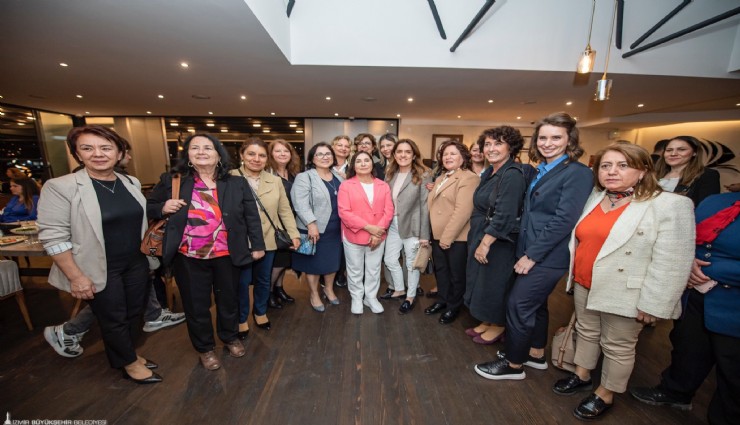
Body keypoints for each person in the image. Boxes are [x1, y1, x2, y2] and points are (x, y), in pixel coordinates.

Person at [548, 143, 695, 420]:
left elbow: (674, 262)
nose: (612, 171)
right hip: (585, 281)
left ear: (643, 171)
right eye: (606, 166)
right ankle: (581, 374)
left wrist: (654, 304)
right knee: (586, 331)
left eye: (622, 165)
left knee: (617, 345)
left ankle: (605, 393)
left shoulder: (669, 205)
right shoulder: (596, 197)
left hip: (628, 290)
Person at [37, 125, 161, 384]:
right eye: (87, 148)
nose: (98, 154)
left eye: (106, 148)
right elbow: (54, 238)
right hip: (97, 266)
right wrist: (76, 277)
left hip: (135, 262)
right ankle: (128, 363)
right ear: (77, 154)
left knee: (133, 313)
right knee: (113, 317)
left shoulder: (130, 182)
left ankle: (127, 354)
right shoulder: (61, 187)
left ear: (119, 153)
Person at [474, 112, 593, 380]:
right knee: (536, 306)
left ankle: (513, 365)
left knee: (518, 304)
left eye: (556, 138)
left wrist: (532, 256)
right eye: (543, 138)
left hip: (548, 254)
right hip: (528, 248)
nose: (548, 143)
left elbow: (564, 220)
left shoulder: (577, 172)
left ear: (570, 140)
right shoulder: (541, 169)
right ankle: (536, 353)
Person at [147, 133, 265, 371]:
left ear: (219, 154)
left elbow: (251, 215)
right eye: (195, 148)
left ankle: (230, 337)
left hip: (227, 254)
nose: (201, 152)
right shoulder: (173, 180)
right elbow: (149, 206)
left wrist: (258, 245)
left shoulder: (236, 182)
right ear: (188, 155)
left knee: (229, 301)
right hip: (188, 256)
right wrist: (163, 207)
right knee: (196, 305)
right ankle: (205, 348)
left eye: (208, 148)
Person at [630, 191, 740, 425]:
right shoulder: (716, 201)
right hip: (696, 295)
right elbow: (684, 239)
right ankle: (675, 392)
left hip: (733, 304)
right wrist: (687, 262)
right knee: (687, 347)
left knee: (732, 370)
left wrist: (711, 271)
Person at [464, 127, 527, 344]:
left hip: (498, 241)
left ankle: (499, 325)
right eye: (487, 144)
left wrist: (485, 243)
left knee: (496, 284)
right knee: (484, 282)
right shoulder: (491, 172)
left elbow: (505, 215)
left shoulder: (512, 175)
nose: (491, 149)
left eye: (498, 143)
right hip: (482, 232)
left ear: (511, 147)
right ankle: (488, 321)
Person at [232, 138, 300, 334]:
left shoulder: (275, 180)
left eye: (261, 155)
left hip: (268, 238)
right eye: (251, 154)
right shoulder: (230, 178)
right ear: (242, 155)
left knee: (263, 279)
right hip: (241, 241)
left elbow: (284, 210)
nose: (256, 159)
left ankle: (260, 311)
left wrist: (293, 234)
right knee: (242, 282)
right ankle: (241, 318)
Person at [425, 140, 479, 324]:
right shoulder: (441, 177)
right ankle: (442, 300)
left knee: (456, 275)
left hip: (456, 238)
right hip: (437, 234)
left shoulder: (469, 178)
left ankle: (454, 306)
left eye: (453, 153)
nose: (448, 157)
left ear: (463, 157)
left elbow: (462, 212)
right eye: (445, 154)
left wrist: (447, 238)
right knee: (441, 272)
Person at [338, 151, 394, 314]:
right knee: (355, 270)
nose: (363, 164)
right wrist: (369, 228)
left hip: (377, 237)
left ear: (372, 163)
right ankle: (356, 298)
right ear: (353, 166)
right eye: (358, 161)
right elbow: (344, 212)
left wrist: (377, 233)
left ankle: (370, 297)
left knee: (374, 269)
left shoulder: (383, 185)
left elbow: (389, 210)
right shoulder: (346, 185)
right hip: (354, 234)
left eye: (366, 160)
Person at [291, 142, 344, 312]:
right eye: (319, 154)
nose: (324, 157)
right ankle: (314, 294)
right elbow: (300, 203)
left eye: (328, 153)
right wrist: (311, 224)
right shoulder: (304, 177)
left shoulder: (339, 177)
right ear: (312, 159)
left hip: (336, 229)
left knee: (332, 262)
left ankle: (328, 289)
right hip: (314, 229)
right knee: (313, 264)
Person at [380, 139, 431, 314]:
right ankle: (400, 288)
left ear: (414, 155)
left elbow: (425, 206)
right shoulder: (390, 174)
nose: (403, 155)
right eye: (399, 151)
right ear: (394, 155)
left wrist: (424, 235)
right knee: (389, 259)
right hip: (393, 225)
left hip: (413, 225)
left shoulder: (423, 174)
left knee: (411, 263)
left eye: (408, 152)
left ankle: (410, 296)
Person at [267, 139, 302, 304]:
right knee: (278, 262)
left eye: (286, 151)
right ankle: (268, 293)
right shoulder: (268, 174)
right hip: (275, 224)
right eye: (278, 151)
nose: (282, 154)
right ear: (271, 154)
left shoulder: (293, 174)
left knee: (285, 260)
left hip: (291, 222)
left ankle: (279, 289)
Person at [655, 135, 720, 206]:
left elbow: (707, 207)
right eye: (669, 150)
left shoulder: (707, 175)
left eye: (681, 150)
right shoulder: (655, 174)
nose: (673, 154)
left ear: (694, 152)